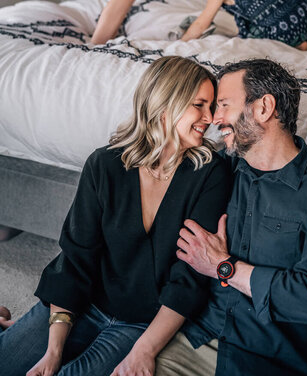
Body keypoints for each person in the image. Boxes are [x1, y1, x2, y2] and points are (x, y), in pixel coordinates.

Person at [0, 56, 232, 376]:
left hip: (140, 324)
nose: (211, 118)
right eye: (200, 105)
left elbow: (188, 279)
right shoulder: (104, 165)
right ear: (165, 104)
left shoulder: (210, 173)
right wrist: (53, 352)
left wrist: (145, 352)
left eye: (212, 106)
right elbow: (75, 261)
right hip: (84, 304)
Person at [156, 58, 307, 376]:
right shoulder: (218, 168)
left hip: (269, 357)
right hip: (197, 339)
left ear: (263, 107)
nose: (213, 119)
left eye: (223, 105)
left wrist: (224, 268)